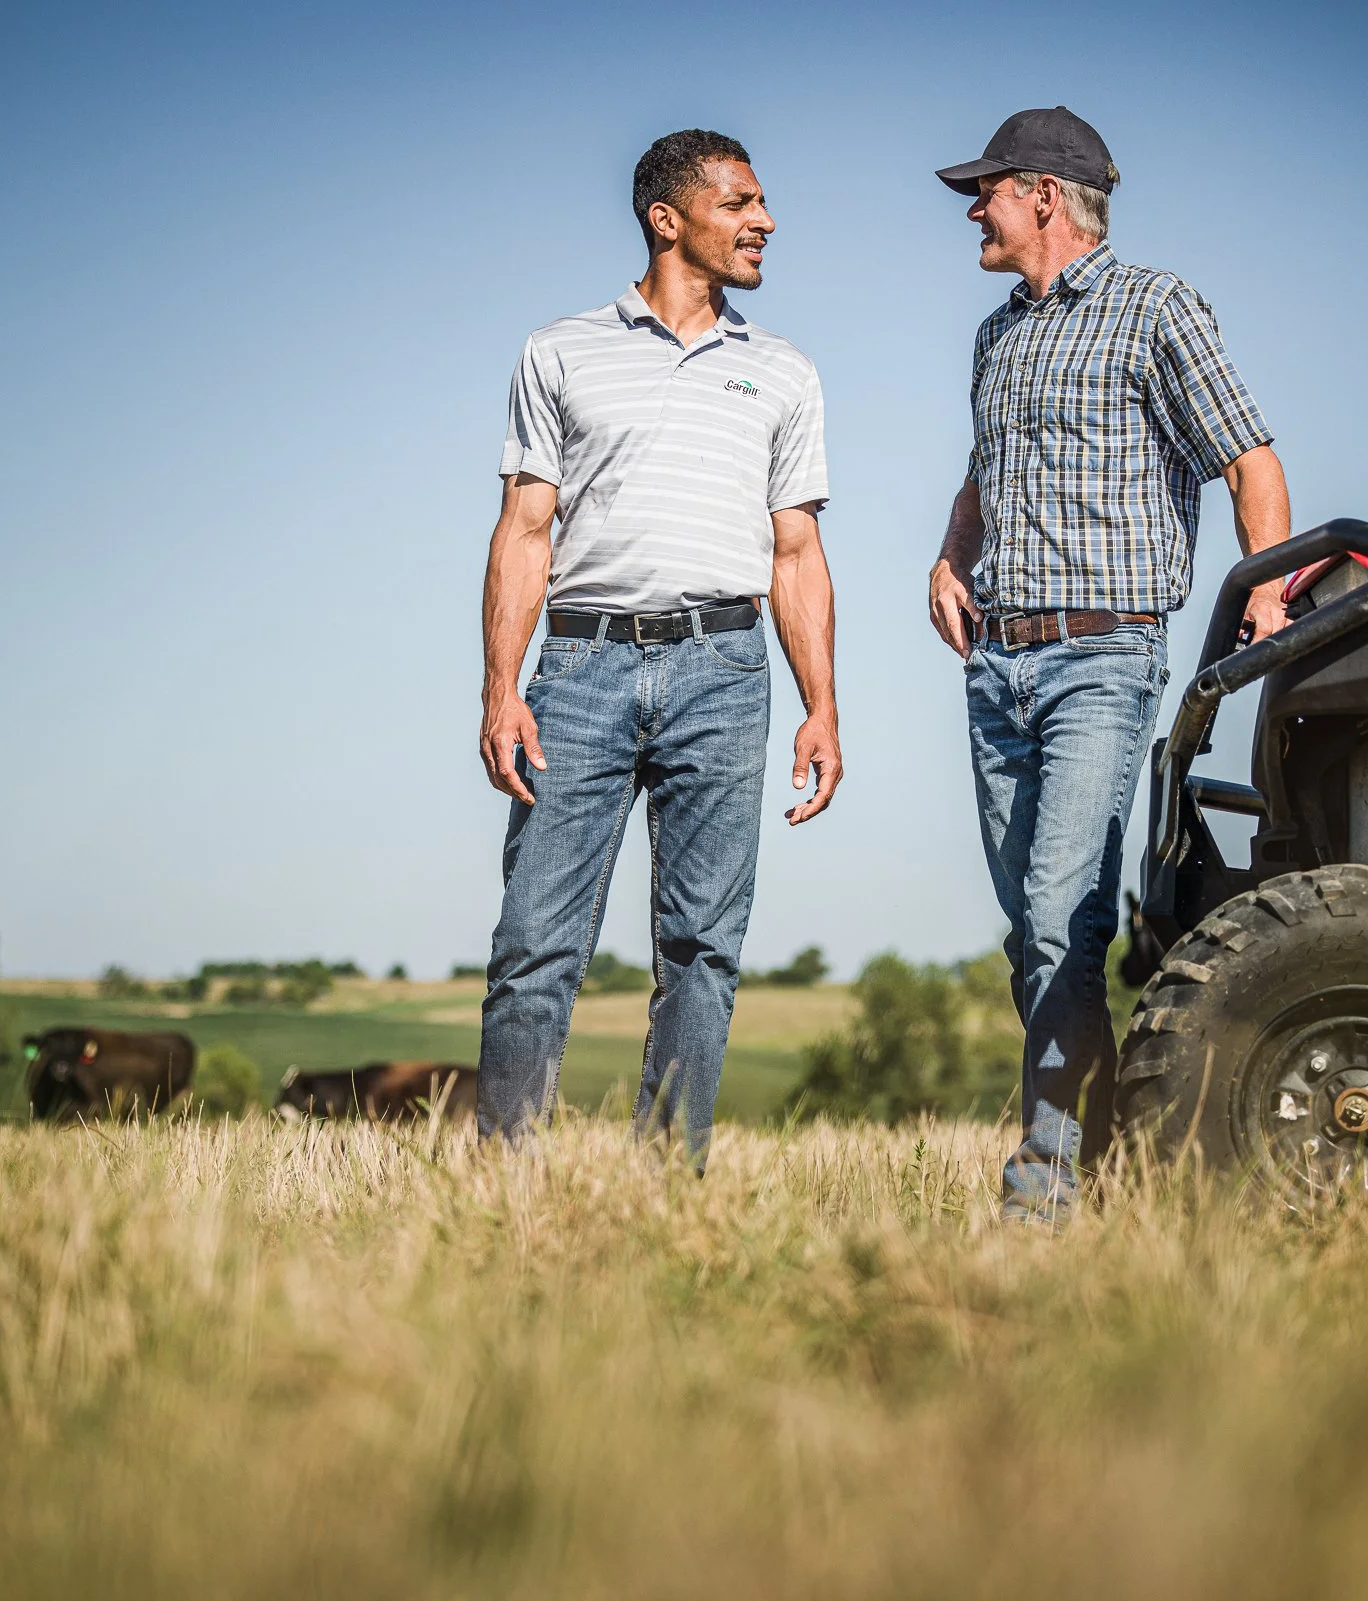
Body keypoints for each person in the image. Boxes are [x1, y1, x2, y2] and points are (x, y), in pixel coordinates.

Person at [925, 106, 1290, 1220]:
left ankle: (1045, 1188)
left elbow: (1248, 458)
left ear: (1042, 193)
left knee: (1058, 920)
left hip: (1103, 656)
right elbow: (987, 473)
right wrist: (951, 557)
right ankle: (1133, 1145)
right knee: (1040, 937)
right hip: (998, 666)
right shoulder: (996, 334)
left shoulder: (1155, 305)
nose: (971, 211)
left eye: (984, 191)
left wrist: (1268, 590)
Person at [474, 129, 840, 1168]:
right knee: (535, 944)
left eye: (762, 203)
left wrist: (823, 705)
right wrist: (503, 690)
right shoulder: (560, 350)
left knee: (703, 949)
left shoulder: (785, 372)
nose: (763, 221)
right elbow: (524, 532)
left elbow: (797, 550)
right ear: (666, 218)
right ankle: (507, 1182)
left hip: (726, 671)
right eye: (739, 203)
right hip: (580, 670)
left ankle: (666, 1178)